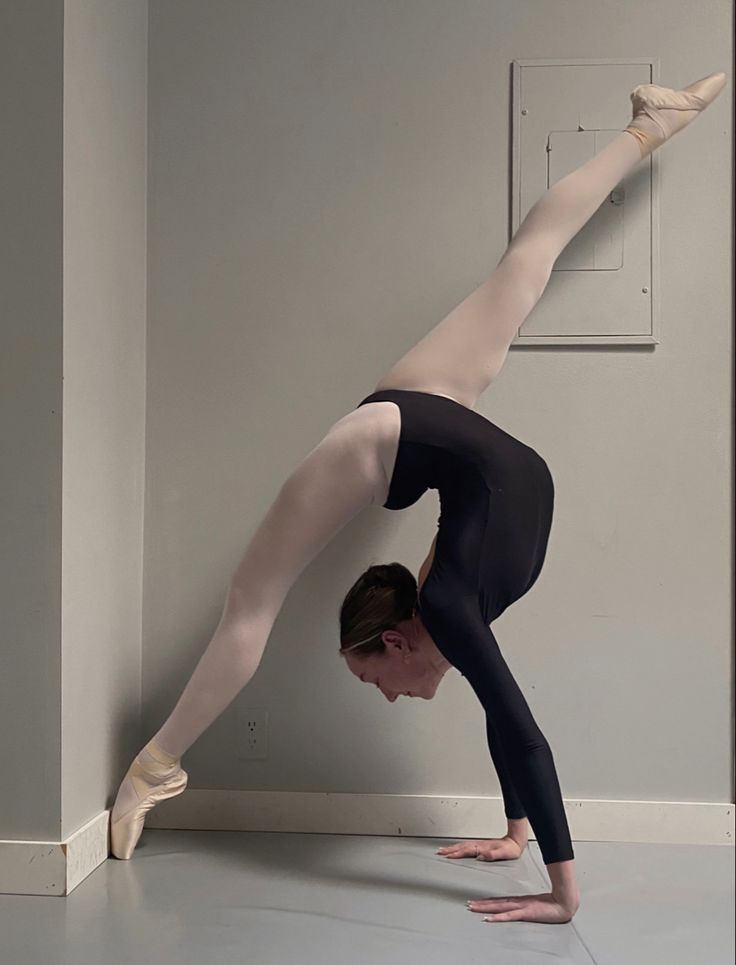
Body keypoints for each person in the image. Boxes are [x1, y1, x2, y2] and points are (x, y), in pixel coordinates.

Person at [110, 71, 726, 921]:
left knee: (251, 602)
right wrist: (512, 833)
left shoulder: (447, 598)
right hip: (448, 424)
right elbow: (501, 713)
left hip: (393, 439)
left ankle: (157, 762)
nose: (390, 694)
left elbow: (521, 727)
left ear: (399, 639)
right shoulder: (453, 602)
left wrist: (561, 893)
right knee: (527, 262)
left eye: (377, 676)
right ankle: (646, 130)